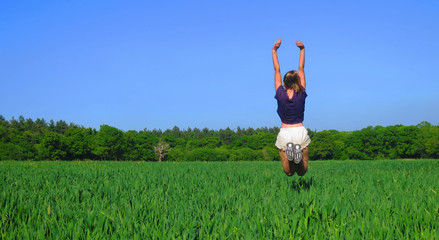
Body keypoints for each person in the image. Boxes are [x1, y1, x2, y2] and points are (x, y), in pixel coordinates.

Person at [272, 39, 311, 176]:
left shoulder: (280, 93)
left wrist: (274, 50)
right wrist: (302, 49)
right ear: (299, 82)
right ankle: (298, 159)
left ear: (283, 83)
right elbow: (301, 68)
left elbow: (277, 70)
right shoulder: (301, 92)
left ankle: (290, 158)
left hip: (285, 132)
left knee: (288, 172)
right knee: (302, 171)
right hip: (299, 130)